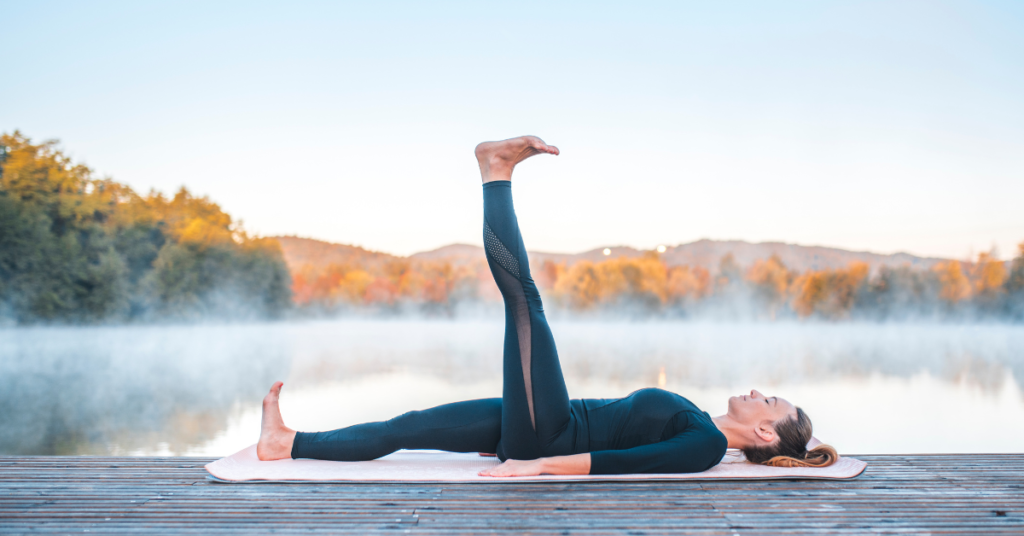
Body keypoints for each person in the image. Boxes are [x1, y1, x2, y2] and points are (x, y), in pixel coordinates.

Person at [255, 135, 839, 476]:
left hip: (550, 437)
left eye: (769, 400)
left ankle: (496, 171)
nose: (758, 390)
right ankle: (286, 443)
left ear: (764, 431)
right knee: (409, 426)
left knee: (524, 302)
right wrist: (518, 429)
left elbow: (615, 466)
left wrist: (534, 463)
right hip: (539, 423)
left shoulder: (707, 447)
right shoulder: (702, 425)